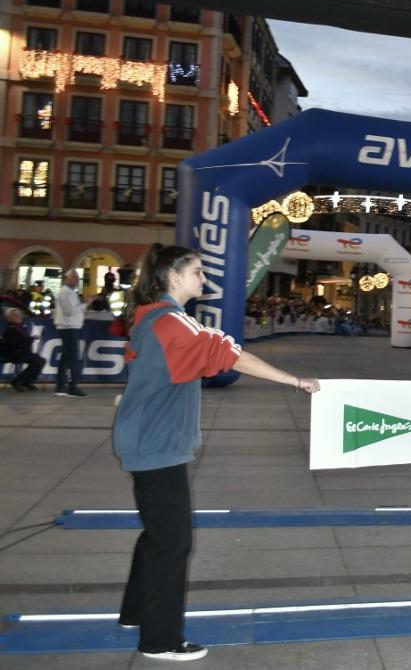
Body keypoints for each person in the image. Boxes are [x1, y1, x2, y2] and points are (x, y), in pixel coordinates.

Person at [113, 244, 320, 661]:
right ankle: (160, 639)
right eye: (198, 272)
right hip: (157, 445)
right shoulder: (171, 323)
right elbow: (230, 354)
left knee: (158, 534)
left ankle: (136, 613)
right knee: (173, 543)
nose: (204, 280)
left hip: (146, 439)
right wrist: (295, 381)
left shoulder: (153, 317)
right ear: (174, 276)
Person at [53, 269, 87, 397]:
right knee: (72, 357)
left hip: (70, 327)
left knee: (66, 357)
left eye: (78, 277)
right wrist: (85, 304)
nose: (77, 280)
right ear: (68, 278)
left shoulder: (69, 292)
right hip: (69, 327)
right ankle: (72, 387)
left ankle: (61, 386)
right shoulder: (65, 292)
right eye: (75, 277)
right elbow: (69, 311)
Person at [2, 307, 45, 391]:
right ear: (11, 317)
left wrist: (30, 339)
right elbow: (15, 343)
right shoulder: (11, 329)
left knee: (41, 360)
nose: (20, 317)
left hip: (22, 353)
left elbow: (23, 341)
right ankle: (17, 381)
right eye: (17, 316)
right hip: (14, 354)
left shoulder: (20, 327)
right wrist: (30, 339)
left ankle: (28, 381)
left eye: (20, 315)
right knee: (36, 361)